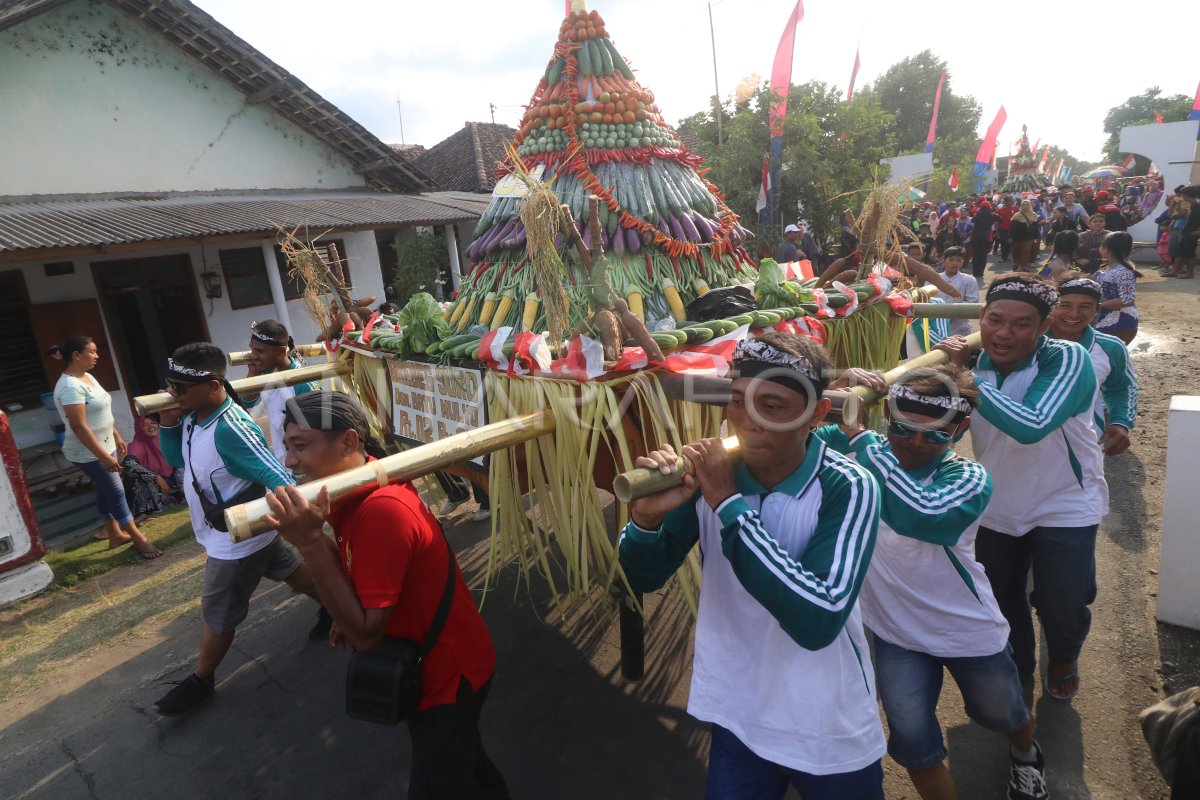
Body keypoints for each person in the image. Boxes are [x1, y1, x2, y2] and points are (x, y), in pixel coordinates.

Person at [618, 332, 886, 799]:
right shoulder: (708, 476)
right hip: (737, 712)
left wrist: (726, 501)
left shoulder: (849, 486)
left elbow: (818, 619)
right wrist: (646, 518)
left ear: (816, 415)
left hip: (825, 721)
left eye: (774, 406)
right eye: (738, 401)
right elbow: (642, 576)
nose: (747, 421)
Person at [263, 392, 509, 799]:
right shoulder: (358, 489)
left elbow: (365, 634)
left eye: (300, 446)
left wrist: (309, 542)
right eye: (287, 446)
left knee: (443, 780)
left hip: (448, 676)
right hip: (435, 664)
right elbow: (362, 594)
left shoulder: (381, 509)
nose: (289, 462)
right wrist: (345, 611)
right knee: (469, 770)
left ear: (349, 443)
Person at [818, 366, 1048, 800]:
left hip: (967, 630)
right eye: (904, 429)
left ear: (960, 429)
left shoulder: (968, 478)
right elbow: (793, 435)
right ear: (887, 413)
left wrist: (865, 440)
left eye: (937, 436)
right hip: (895, 633)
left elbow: (921, 515)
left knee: (1005, 714)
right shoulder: (859, 450)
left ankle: (1026, 753)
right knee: (914, 746)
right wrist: (831, 389)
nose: (917, 444)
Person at [935, 273, 1106, 704]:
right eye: (994, 320)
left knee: (1062, 606)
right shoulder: (975, 364)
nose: (1004, 333)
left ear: (1044, 326)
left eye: (1021, 324)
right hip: (999, 503)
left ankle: (1064, 655)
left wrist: (963, 378)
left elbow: (1030, 426)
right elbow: (946, 436)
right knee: (1003, 603)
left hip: (1065, 501)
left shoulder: (1066, 359)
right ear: (980, 318)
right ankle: (1021, 673)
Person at [154, 343, 321, 716]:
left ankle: (202, 679)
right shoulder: (193, 416)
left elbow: (275, 474)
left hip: (236, 541)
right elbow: (175, 460)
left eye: (179, 388)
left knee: (218, 611)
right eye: (170, 385)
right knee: (290, 571)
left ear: (214, 386)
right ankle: (336, 607)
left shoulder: (230, 428)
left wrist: (303, 517)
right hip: (228, 532)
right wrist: (167, 421)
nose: (172, 394)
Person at [48, 336, 161, 559]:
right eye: (92, 352)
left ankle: (114, 534)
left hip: (104, 445)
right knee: (116, 490)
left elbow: (101, 413)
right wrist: (104, 457)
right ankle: (138, 538)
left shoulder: (87, 377)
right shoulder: (70, 387)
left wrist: (116, 435)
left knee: (105, 487)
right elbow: (79, 427)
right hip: (87, 452)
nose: (97, 356)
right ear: (76, 356)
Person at [1050, 277, 1138, 457]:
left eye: (1085, 306)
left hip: (1083, 448)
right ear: (1052, 307)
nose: (1074, 314)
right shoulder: (1027, 341)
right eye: (1065, 305)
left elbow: (1122, 387)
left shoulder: (1110, 347)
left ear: (1097, 310)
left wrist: (1121, 423)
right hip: (1020, 448)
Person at [242, 320, 319, 463]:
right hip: (282, 462)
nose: (253, 356)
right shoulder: (265, 373)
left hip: (302, 464)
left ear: (281, 351)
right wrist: (252, 372)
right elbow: (246, 403)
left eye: (259, 351)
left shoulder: (302, 384)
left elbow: (315, 435)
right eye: (252, 349)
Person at [121, 415, 182, 518]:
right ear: (139, 429)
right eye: (145, 425)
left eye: (153, 423)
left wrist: (182, 485)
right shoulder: (136, 445)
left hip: (171, 483)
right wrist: (155, 477)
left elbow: (177, 461)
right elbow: (128, 464)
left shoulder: (163, 440)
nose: (151, 427)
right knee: (133, 475)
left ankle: (182, 494)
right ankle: (147, 511)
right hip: (154, 488)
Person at [1093, 231, 1139, 344]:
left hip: (1119, 323)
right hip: (1105, 319)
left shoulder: (1123, 272)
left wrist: (1099, 306)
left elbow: (1128, 300)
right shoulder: (1108, 268)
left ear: (1106, 249)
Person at [936, 246, 979, 337]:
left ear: (962, 262)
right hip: (936, 326)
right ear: (944, 262)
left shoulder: (969, 280)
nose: (955, 263)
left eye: (958, 260)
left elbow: (972, 303)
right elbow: (927, 300)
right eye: (951, 260)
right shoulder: (934, 279)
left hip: (960, 327)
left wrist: (952, 311)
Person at [1009, 200, 1041, 271]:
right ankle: (1016, 262)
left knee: (1026, 251)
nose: (1025, 206)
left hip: (1029, 237)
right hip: (1017, 237)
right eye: (1023, 205)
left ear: (1030, 206)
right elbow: (1012, 227)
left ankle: (1025, 265)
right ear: (1021, 206)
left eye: (1027, 205)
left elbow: (1036, 227)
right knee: (1016, 251)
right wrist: (1010, 237)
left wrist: (1037, 237)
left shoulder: (1033, 215)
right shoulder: (1017, 215)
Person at [969, 201, 996, 284]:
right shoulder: (991, 215)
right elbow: (1000, 219)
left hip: (975, 238)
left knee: (975, 255)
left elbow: (972, 221)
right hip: (986, 238)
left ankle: (975, 272)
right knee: (983, 256)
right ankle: (980, 272)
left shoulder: (977, 215)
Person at [994, 197, 1016, 261]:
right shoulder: (1000, 210)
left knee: (1010, 243)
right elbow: (996, 220)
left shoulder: (1015, 209)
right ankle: (1003, 257)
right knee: (1003, 243)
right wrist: (997, 231)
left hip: (1012, 229)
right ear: (1005, 202)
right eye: (1010, 201)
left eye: (1012, 201)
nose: (1012, 202)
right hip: (1003, 229)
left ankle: (1006, 255)